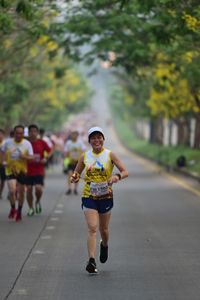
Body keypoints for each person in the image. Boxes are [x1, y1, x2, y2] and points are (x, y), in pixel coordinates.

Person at [70, 126, 128, 274]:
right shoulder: (85, 156)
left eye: (99, 137)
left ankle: (105, 245)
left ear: (103, 139)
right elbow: (76, 173)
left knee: (104, 229)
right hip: (89, 195)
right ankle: (91, 260)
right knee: (92, 228)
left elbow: (125, 171)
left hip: (106, 196)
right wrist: (74, 177)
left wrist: (116, 177)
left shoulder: (110, 155)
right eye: (93, 138)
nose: (96, 140)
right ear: (89, 141)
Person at [1, 125, 34, 222]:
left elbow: (31, 157)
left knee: (21, 192)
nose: (19, 135)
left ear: (23, 134)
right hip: (10, 170)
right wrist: (3, 162)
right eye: (17, 133)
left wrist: (24, 156)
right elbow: (2, 152)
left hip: (22, 171)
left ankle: (19, 210)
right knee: (12, 190)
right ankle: (13, 208)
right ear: (14, 133)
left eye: (21, 133)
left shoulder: (27, 144)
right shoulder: (7, 142)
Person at [26, 124, 52, 216]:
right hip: (27, 170)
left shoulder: (41, 142)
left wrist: (46, 158)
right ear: (28, 133)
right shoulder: (26, 143)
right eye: (31, 131)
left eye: (34, 131)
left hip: (39, 170)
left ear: (37, 132)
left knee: (38, 189)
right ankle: (30, 208)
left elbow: (50, 149)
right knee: (29, 189)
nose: (33, 133)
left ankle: (37, 201)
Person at [64, 131, 85, 195]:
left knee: (76, 176)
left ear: (77, 135)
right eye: (73, 135)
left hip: (77, 162)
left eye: (75, 135)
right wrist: (68, 157)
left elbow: (83, 150)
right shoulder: (68, 143)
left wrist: (80, 159)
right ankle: (69, 188)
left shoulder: (80, 142)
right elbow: (66, 151)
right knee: (70, 174)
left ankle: (75, 189)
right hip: (70, 162)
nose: (74, 136)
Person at [0, 129, 6, 199]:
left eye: (1, 134)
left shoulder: (6, 144)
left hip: (3, 165)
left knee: (3, 180)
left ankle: (0, 193)